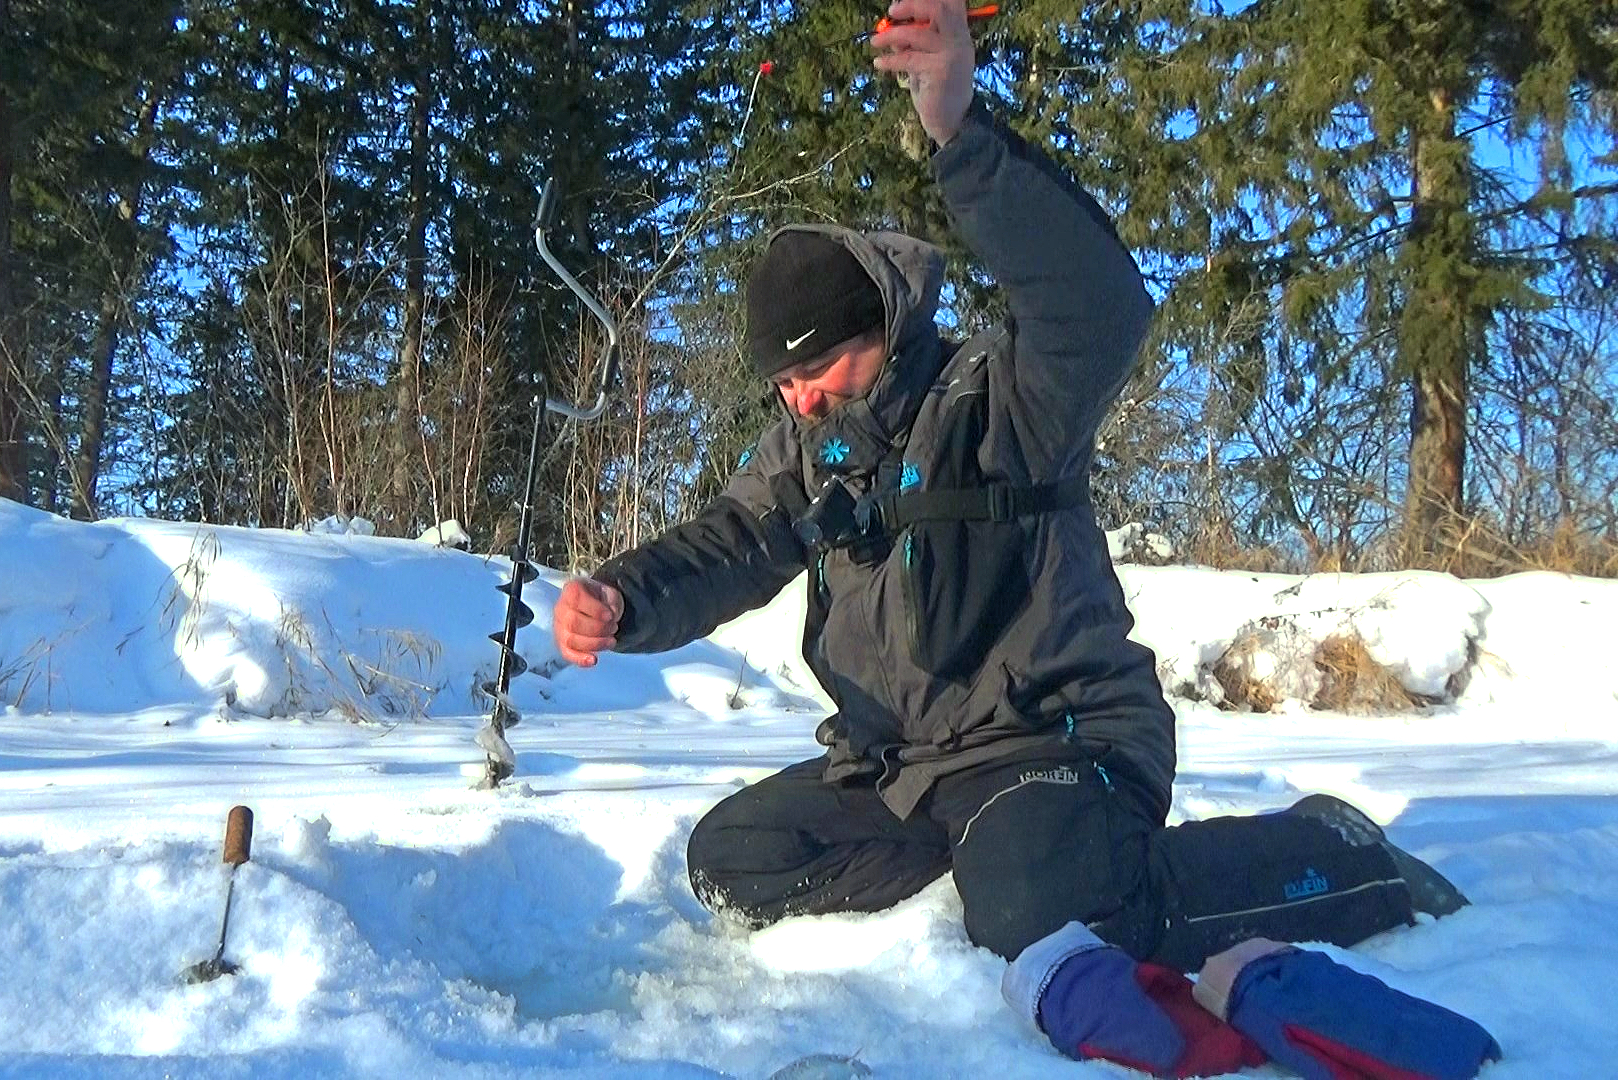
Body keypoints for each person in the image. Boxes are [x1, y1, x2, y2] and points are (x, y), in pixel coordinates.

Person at [554, 1, 1500, 1075]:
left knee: (1046, 918)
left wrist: (962, 136)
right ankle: (1001, 858)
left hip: (1063, 740)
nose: (802, 402)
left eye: (816, 373)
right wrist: (625, 597)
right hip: (907, 767)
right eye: (783, 382)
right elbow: (733, 538)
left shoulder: (1003, 400)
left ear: (878, 334)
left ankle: (1327, 852)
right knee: (736, 857)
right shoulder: (806, 450)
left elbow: (1099, 308)